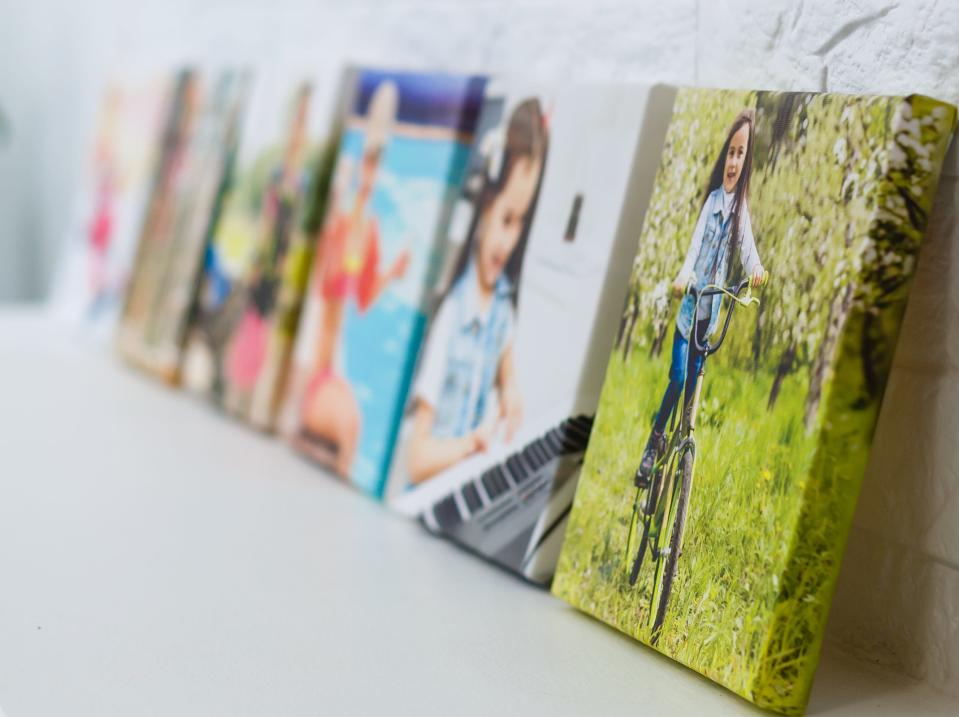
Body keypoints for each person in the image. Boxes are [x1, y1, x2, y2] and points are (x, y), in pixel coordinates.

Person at [404, 98, 549, 484]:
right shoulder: (453, 313)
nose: (508, 240)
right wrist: (472, 444)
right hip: (428, 489)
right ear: (484, 206)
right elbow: (416, 461)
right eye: (504, 218)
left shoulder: (502, 305)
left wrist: (511, 392)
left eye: (520, 222)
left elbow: (506, 371)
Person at [637, 109, 766, 480]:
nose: (734, 160)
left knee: (692, 396)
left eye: (742, 154)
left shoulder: (741, 213)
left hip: (707, 324)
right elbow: (693, 250)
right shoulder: (711, 203)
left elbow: (748, 251)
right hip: (689, 313)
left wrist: (756, 270)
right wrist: (683, 274)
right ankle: (653, 441)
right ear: (724, 155)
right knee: (678, 379)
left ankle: (678, 467)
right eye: (731, 151)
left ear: (747, 162)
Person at [299, 81, 410, 477]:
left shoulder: (372, 231)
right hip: (317, 372)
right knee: (350, 427)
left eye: (376, 164)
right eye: (367, 161)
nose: (371, 171)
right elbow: (323, 286)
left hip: (339, 375)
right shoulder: (343, 224)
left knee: (354, 431)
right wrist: (337, 209)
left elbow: (362, 300)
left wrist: (392, 275)